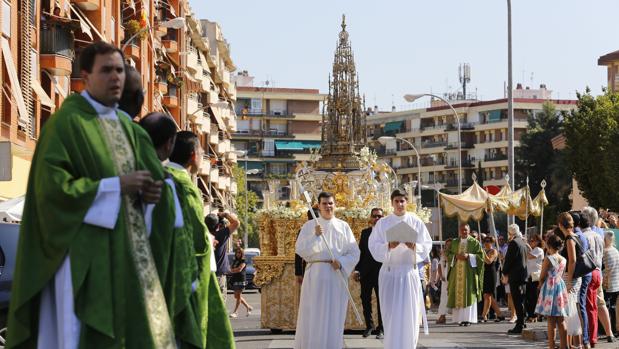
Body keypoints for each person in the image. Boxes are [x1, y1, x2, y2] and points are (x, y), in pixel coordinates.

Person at [6, 41, 179, 348]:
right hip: (79, 257)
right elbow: (52, 191)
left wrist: (148, 195)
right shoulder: (67, 123)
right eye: (106, 71)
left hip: (124, 255)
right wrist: (116, 186)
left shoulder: (128, 130)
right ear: (85, 76)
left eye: (119, 71)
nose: (116, 78)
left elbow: (142, 190)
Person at [294, 192, 360, 349]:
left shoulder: (343, 226)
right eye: (324, 204)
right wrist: (315, 236)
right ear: (318, 206)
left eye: (330, 203)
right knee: (314, 314)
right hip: (315, 275)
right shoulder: (309, 226)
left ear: (335, 205)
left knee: (333, 314)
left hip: (336, 275)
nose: (328, 206)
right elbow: (300, 249)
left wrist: (342, 262)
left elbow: (354, 252)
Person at [368, 189, 433, 349]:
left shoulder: (415, 221)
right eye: (396, 201)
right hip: (389, 273)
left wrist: (414, 247)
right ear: (392, 203)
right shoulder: (383, 223)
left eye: (402, 201)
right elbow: (373, 245)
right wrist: (388, 245)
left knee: (409, 314)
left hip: (408, 272)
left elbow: (427, 244)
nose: (399, 204)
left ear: (406, 202)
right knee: (391, 314)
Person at [353, 208, 384, 339]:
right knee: (365, 299)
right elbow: (361, 253)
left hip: (381, 272)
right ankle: (369, 326)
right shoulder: (365, 233)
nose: (377, 219)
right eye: (374, 216)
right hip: (366, 272)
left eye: (379, 216)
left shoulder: (386, 234)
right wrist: (357, 270)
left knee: (382, 301)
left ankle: (381, 328)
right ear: (370, 218)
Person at [446, 223, 484, 327]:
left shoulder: (475, 242)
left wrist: (469, 256)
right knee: (457, 294)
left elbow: (481, 257)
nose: (464, 232)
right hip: (456, 274)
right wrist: (455, 256)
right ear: (459, 230)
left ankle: (468, 319)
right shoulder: (454, 242)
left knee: (468, 294)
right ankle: (458, 318)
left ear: (469, 230)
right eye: (462, 230)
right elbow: (448, 254)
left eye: (466, 230)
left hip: (469, 274)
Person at [536, 233, 569, 349]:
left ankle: (551, 346)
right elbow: (562, 273)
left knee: (550, 320)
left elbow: (542, 276)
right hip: (560, 287)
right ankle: (564, 346)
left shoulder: (549, 258)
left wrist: (540, 284)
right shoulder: (564, 259)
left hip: (550, 288)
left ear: (549, 246)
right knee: (561, 319)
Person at [557, 212, 585, 348]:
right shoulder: (576, 236)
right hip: (575, 277)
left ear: (560, 225)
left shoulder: (569, 239)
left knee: (571, 311)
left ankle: (577, 344)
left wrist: (569, 279)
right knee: (573, 309)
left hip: (571, 277)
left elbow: (572, 260)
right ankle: (577, 343)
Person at [580, 207, 605, 347]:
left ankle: (591, 337)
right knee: (593, 306)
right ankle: (592, 336)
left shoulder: (585, 236)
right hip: (597, 272)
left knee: (588, 307)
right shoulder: (598, 235)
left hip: (588, 272)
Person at [502, 224, 528, 334]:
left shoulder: (514, 243)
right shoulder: (522, 242)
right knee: (521, 300)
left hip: (515, 276)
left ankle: (519, 324)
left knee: (517, 301)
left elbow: (509, 260)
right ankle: (523, 321)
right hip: (523, 275)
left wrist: (504, 272)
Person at [210, 207, 240, 300]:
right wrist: (225, 215)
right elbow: (236, 223)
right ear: (218, 226)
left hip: (206, 274)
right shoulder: (220, 235)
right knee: (220, 302)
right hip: (218, 275)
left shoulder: (204, 234)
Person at [481, 236, 503, 322]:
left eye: (488, 241)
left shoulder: (494, 251)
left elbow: (489, 261)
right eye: (485, 241)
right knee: (488, 295)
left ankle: (484, 315)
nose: (486, 242)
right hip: (484, 274)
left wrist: (483, 253)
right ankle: (499, 314)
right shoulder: (484, 250)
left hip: (491, 274)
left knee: (487, 295)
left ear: (492, 242)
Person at [602, 231, 619, 342]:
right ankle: (615, 330)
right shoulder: (616, 251)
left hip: (608, 284)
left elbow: (604, 270)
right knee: (614, 307)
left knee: (608, 308)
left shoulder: (605, 252)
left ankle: (610, 330)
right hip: (617, 282)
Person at [295, 209, 318, 285]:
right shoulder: (304, 230)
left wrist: (298, 273)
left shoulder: (303, 229)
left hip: (309, 265)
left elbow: (298, 254)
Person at [526, 233, 544, 322]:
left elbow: (529, 256)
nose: (530, 242)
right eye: (530, 241)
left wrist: (526, 246)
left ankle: (534, 315)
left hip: (536, 276)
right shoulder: (533, 249)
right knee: (530, 297)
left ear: (537, 241)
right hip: (530, 276)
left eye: (532, 241)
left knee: (533, 297)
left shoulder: (538, 249)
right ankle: (531, 314)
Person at [229, 248, 253, 318]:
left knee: (238, 296)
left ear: (242, 254)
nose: (238, 254)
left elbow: (239, 269)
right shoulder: (235, 261)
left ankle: (235, 312)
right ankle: (248, 307)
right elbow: (231, 268)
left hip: (241, 280)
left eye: (239, 253)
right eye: (237, 252)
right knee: (236, 296)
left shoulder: (243, 261)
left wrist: (232, 270)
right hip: (235, 279)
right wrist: (233, 270)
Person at [436, 239, 452, 324]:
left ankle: (457, 317)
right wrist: (441, 275)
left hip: (452, 279)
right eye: (447, 245)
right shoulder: (443, 254)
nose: (448, 246)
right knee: (443, 298)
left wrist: (446, 255)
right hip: (444, 279)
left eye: (450, 245)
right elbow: (439, 265)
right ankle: (442, 316)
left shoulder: (453, 254)